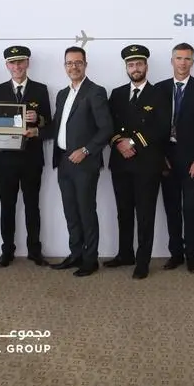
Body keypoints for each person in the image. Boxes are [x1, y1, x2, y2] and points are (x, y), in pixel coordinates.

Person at [106, 45, 169, 279]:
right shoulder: (117, 93)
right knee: (123, 212)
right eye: (131, 65)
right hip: (120, 162)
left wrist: (131, 142)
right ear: (126, 68)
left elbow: (162, 128)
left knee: (145, 215)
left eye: (139, 64)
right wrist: (118, 143)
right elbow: (108, 124)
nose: (135, 68)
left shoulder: (159, 93)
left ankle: (143, 261)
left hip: (147, 164)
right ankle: (125, 254)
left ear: (146, 66)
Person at [50, 46, 113, 278]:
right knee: (71, 212)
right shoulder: (62, 94)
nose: (73, 67)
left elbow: (106, 128)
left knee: (86, 212)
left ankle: (90, 259)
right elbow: (57, 126)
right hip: (63, 161)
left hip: (84, 163)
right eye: (69, 63)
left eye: (78, 62)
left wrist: (86, 150)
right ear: (64, 66)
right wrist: (34, 128)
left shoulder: (95, 91)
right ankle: (75, 254)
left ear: (85, 64)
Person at [0, 46, 52, 268]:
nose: (17, 66)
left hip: (31, 158)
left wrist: (38, 119)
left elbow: (49, 125)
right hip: (5, 159)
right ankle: (7, 251)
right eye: (12, 63)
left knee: (32, 206)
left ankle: (35, 250)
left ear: (27, 63)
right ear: (7, 65)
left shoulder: (40, 89)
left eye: (21, 62)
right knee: (7, 206)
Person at [156, 42, 194, 273]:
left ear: (192, 61)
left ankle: (192, 254)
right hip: (166, 159)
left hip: (192, 161)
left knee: (190, 208)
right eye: (179, 58)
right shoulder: (159, 88)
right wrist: (159, 157)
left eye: (187, 58)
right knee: (171, 208)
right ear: (172, 61)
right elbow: (152, 127)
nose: (183, 63)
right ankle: (176, 254)